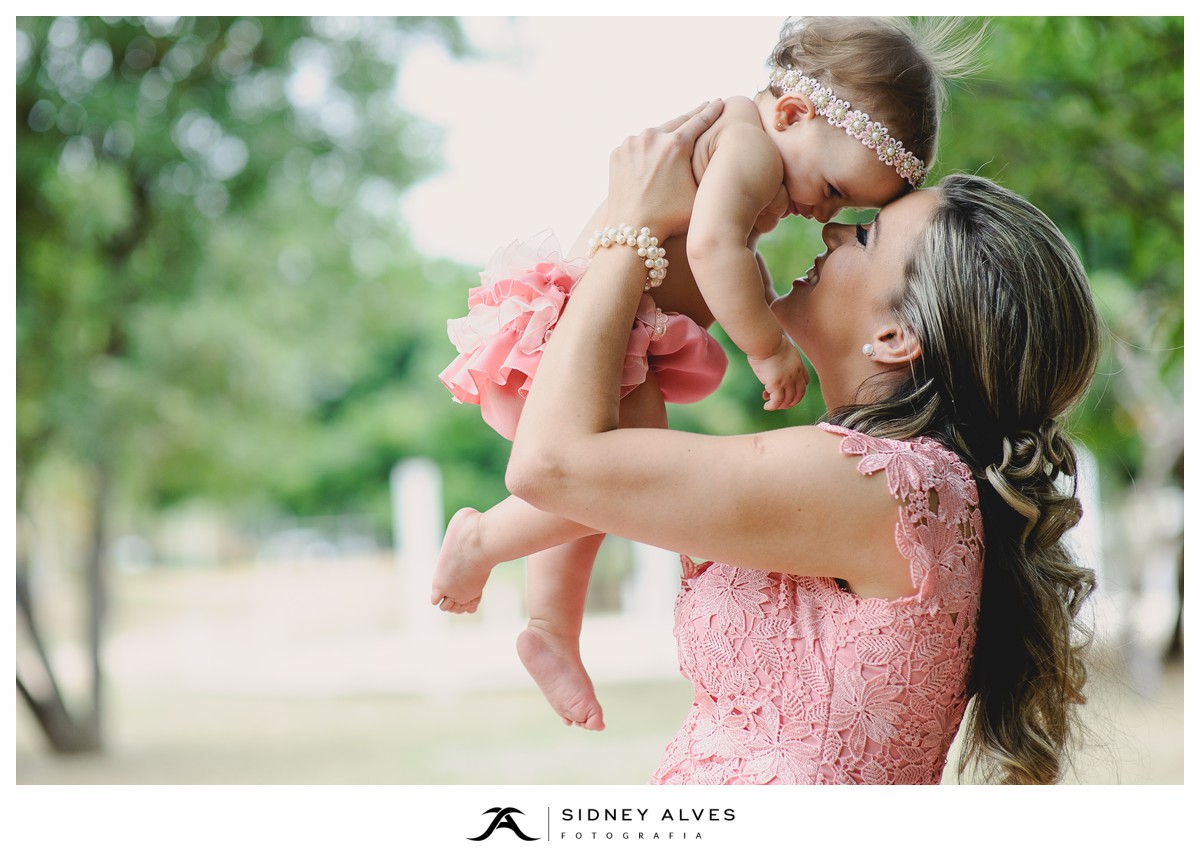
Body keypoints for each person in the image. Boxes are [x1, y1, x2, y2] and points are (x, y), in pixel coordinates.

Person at [504, 100, 1101, 784]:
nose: (838, 231)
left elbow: (551, 464)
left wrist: (630, 224)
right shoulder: (899, 486)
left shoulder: (889, 486)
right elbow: (592, 446)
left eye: (869, 237)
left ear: (896, 336)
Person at [432, 17, 981, 732]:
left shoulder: (757, 154)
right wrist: (766, 347)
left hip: (615, 325)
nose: (822, 216)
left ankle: (550, 625)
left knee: (600, 499)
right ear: (791, 113)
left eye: (853, 214)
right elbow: (715, 244)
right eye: (832, 188)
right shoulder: (748, 145)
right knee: (601, 485)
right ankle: (481, 544)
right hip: (604, 325)